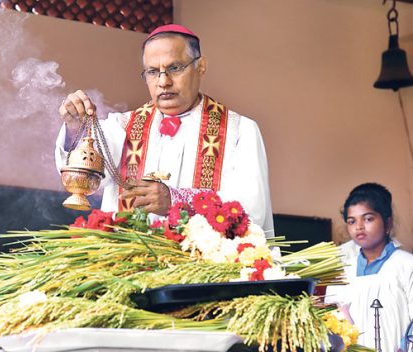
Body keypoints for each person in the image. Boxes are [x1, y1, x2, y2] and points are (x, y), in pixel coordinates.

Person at [55, 24, 274, 234]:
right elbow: (85, 177)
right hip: (128, 266)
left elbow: (250, 212)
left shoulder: (239, 131)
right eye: (152, 71)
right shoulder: (120, 127)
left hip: (202, 266)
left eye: (174, 68)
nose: (163, 81)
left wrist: (176, 201)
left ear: (201, 67)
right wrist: (75, 127)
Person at [325, 183, 413, 352]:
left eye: (368, 219)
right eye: (352, 221)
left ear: (388, 224)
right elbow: (335, 322)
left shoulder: (406, 265)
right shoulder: (342, 271)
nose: (359, 226)